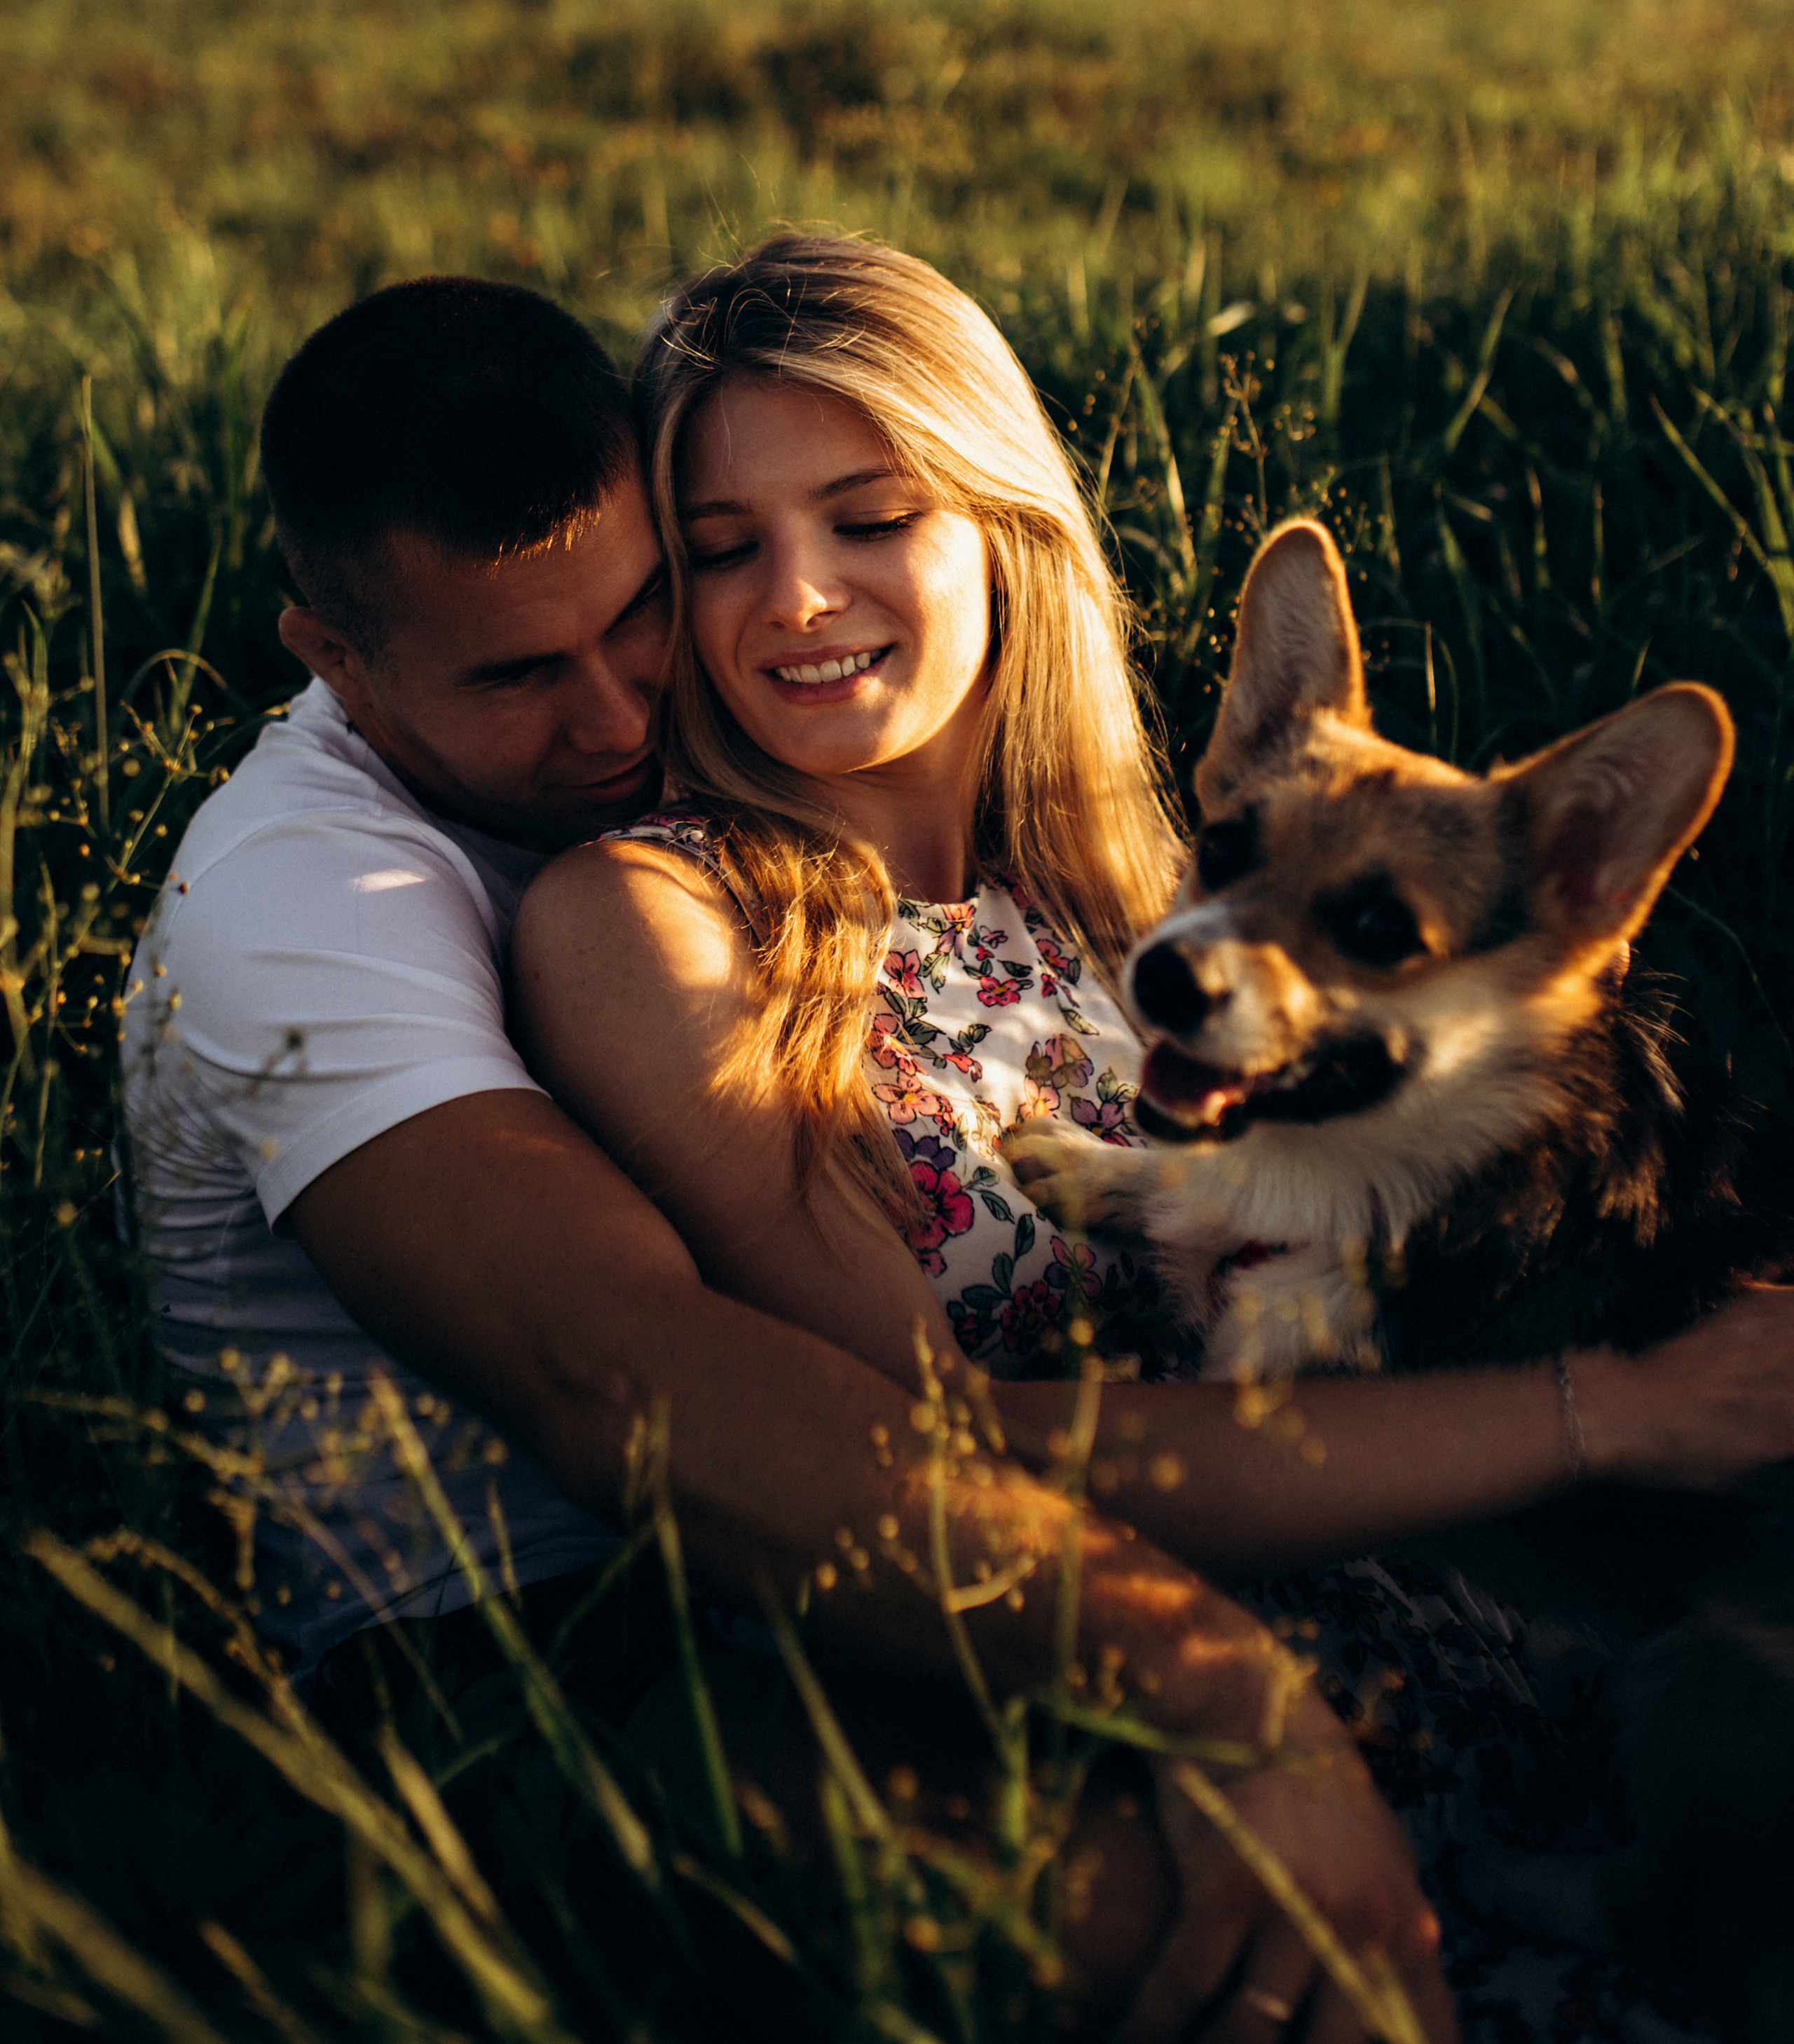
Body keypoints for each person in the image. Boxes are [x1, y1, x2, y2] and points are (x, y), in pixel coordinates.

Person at [121, 273, 1460, 2042]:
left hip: (958, 1547)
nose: (612, 720)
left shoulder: (1055, 866)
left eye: (637, 617)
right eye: (522, 673)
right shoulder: (302, 898)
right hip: (535, 1661)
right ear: (335, 661)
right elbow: (619, 1373)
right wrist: (1224, 1686)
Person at [511, 234, 1794, 2038]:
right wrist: (1619, 1418)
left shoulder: (1146, 891)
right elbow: (913, 1458)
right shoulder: (667, 924)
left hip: (1537, 1697)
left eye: (866, 518)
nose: (795, 597)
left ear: (1000, 523)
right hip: (1138, 1734)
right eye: (720, 549)